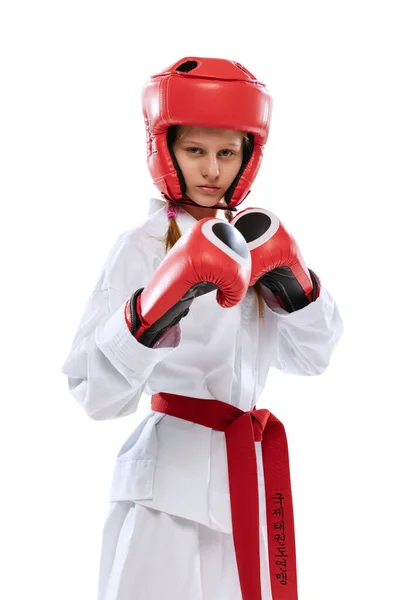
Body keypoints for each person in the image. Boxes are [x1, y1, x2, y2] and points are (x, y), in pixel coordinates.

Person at [61, 57, 343, 600]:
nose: (211, 170)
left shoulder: (257, 243)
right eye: (195, 151)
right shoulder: (142, 246)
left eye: (225, 152)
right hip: (166, 486)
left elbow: (313, 357)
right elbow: (92, 393)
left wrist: (296, 285)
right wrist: (153, 308)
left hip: (248, 481)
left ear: (247, 156)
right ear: (165, 151)